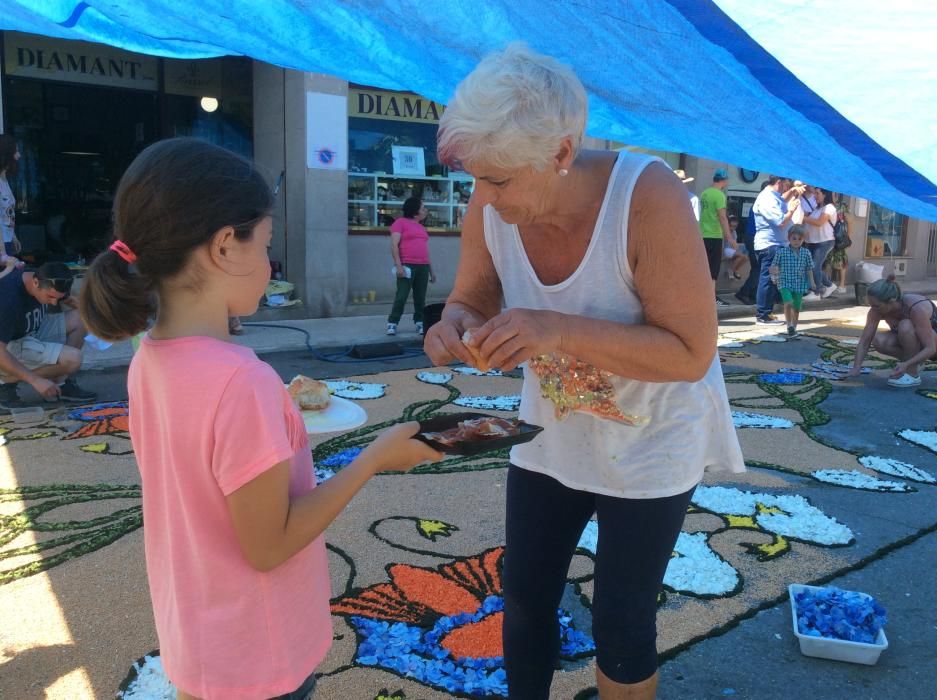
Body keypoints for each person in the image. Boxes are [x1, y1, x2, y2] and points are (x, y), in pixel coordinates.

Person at [426, 44, 744, 700]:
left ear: (562, 152)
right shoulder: (489, 203)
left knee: (621, 621)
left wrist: (554, 328)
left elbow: (690, 352)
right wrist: (452, 323)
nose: (483, 198)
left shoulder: (646, 195)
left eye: (500, 181)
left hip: (654, 434)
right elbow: (472, 296)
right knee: (523, 597)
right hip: (553, 427)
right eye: (476, 180)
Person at [78, 138, 442, 700]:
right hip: (258, 650)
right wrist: (375, 459)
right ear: (226, 246)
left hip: (199, 635)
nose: (271, 265)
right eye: (266, 244)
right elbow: (269, 545)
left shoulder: (148, 355)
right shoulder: (241, 381)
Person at [0, 261, 97, 411]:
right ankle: (6, 384)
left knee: (82, 317)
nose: (53, 303)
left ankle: (60, 382)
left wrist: (103, 321)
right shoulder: (8, 299)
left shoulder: (42, 276)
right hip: (11, 345)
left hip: (32, 329)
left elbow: (71, 301)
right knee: (73, 359)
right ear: (36, 282)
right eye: (50, 297)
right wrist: (35, 380)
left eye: (58, 298)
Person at [848, 276, 937, 387]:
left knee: (905, 325)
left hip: (933, 346)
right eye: (871, 305)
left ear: (891, 301)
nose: (873, 309)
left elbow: (931, 347)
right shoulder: (876, 310)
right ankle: (913, 364)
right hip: (919, 345)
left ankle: (912, 373)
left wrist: (907, 364)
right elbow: (865, 340)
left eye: (876, 306)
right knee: (878, 339)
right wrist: (856, 367)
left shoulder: (914, 308)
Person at [751, 176, 800, 325]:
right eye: (785, 185)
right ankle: (763, 315)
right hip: (770, 246)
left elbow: (782, 200)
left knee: (772, 281)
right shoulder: (766, 198)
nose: (786, 188)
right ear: (778, 182)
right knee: (768, 280)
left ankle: (767, 312)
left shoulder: (773, 196)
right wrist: (791, 211)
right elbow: (779, 222)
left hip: (775, 245)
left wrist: (792, 191)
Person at [387, 196, 436, 335]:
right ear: (415, 212)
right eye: (423, 208)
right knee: (401, 296)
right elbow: (394, 245)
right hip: (407, 265)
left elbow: (425, 251)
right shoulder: (400, 223)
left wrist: (431, 271)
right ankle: (392, 322)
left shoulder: (421, 227)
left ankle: (420, 322)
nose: (425, 210)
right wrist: (399, 266)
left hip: (423, 266)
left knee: (420, 297)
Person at [769, 225, 815, 338]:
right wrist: (774, 278)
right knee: (788, 302)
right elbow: (773, 266)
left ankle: (794, 327)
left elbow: (809, 268)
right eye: (794, 238)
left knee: (797, 307)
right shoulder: (782, 252)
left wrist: (812, 282)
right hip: (784, 281)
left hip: (799, 283)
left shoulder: (806, 253)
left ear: (803, 240)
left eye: (800, 239)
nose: (797, 241)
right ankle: (789, 325)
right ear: (789, 238)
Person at [699, 168, 734, 306]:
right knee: (713, 269)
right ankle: (711, 298)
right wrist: (729, 237)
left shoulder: (704, 193)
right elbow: (722, 217)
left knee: (704, 267)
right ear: (724, 181)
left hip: (702, 234)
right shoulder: (719, 195)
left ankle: (702, 295)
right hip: (714, 235)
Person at [802, 188, 838, 301]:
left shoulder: (829, 208)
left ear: (824, 195)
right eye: (814, 193)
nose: (815, 196)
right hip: (813, 241)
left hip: (825, 241)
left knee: (815, 265)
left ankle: (816, 292)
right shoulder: (817, 208)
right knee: (812, 266)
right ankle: (830, 285)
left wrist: (803, 217)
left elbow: (819, 223)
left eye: (817, 194)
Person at [0, 134, 22, 258]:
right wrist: (2, 250)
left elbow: (6, 215)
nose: (18, 155)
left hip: (7, 241)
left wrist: (13, 236)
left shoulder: (5, 180)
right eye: (16, 151)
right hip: (2, 244)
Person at [725, 214, 747, 280]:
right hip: (726, 249)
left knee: (745, 257)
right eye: (732, 226)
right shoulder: (725, 232)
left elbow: (735, 243)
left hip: (732, 250)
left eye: (735, 226)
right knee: (742, 256)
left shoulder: (734, 232)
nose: (733, 228)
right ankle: (731, 270)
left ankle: (735, 270)